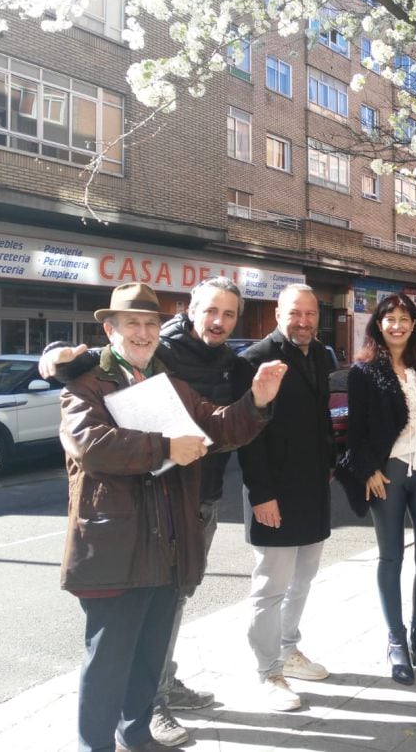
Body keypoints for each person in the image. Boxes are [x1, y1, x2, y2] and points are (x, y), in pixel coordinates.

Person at [58, 282, 284, 752]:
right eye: (132, 323)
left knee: (148, 655)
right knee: (108, 660)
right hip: (116, 545)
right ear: (110, 328)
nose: (142, 333)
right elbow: (92, 446)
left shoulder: (167, 383)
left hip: (167, 542)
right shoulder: (86, 384)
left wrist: (256, 401)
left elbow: (216, 426)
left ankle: (136, 736)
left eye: (150, 324)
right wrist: (164, 447)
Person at [235, 284, 334, 711]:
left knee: (304, 577)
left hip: (312, 488)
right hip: (272, 492)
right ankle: (267, 671)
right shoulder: (254, 360)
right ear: (278, 313)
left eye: (311, 314)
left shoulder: (322, 356)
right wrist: (261, 494)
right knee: (270, 586)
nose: (304, 322)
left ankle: (289, 648)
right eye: (296, 313)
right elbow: (248, 435)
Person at [341, 294, 416, 684]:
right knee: (391, 558)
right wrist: (366, 468)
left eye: (405, 318)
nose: (398, 325)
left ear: (415, 324)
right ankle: (397, 641)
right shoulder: (364, 371)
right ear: (379, 325)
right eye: (391, 319)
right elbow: (356, 432)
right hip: (387, 470)